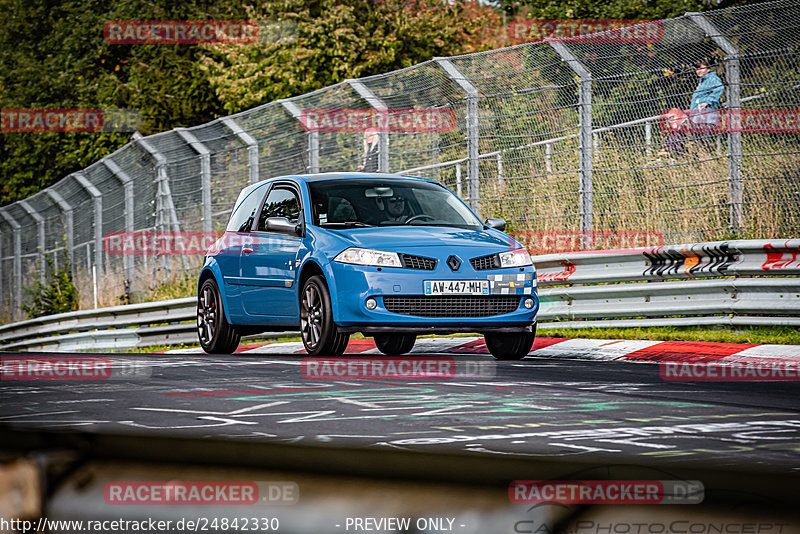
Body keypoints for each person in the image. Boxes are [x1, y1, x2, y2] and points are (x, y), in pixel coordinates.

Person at [689, 59, 724, 141]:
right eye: (697, 69)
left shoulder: (712, 79)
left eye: (701, 68)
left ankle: (709, 149)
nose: (698, 71)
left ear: (708, 69)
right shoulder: (702, 81)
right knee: (698, 138)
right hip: (698, 115)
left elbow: (719, 89)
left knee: (706, 138)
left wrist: (708, 102)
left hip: (706, 115)